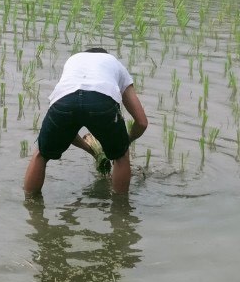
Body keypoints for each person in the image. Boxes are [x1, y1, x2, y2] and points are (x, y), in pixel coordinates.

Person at [24, 47, 149, 196]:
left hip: (64, 101)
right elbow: (142, 122)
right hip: (101, 101)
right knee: (121, 157)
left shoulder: (72, 61)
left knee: (41, 154)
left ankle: (31, 206)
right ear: (105, 56)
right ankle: (120, 210)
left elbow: (68, 131)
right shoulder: (115, 64)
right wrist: (124, 143)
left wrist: (91, 150)